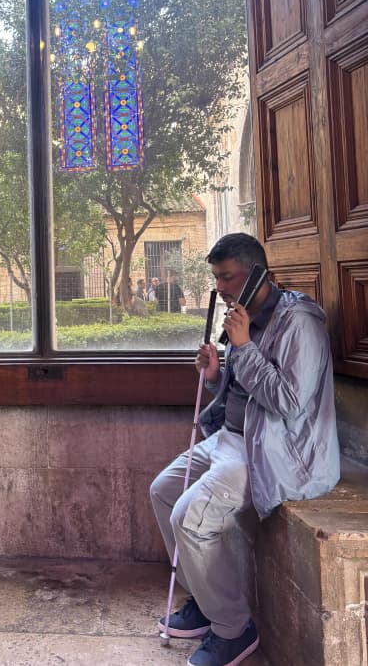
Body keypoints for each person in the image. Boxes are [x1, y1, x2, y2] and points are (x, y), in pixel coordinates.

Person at [149, 233, 339, 666]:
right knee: (163, 490)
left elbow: (289, 402)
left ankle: (233, 629)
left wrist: (243, 347)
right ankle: (204, 598)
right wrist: (217, 375)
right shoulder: (244, 315)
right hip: (230, 437)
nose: (220, 288)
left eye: (227, 277)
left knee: (189, 516)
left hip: (274, 449)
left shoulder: (299, 322)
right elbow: (241, 392)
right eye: (216, 278)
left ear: (257, 274)